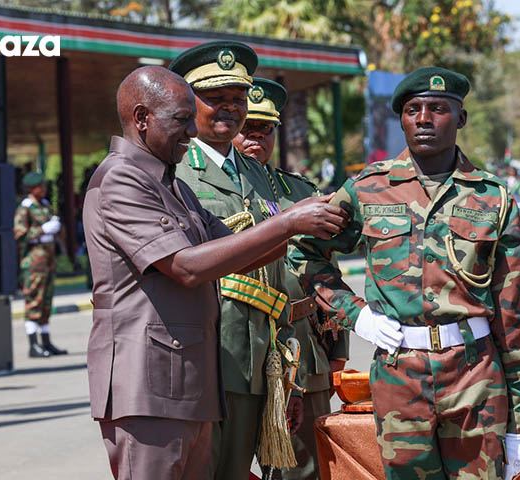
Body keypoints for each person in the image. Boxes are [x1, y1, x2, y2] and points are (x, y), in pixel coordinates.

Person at [82, 66, 346, 480]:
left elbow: (241, 252)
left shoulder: (171, 184)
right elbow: (185, 267)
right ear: (141, 118)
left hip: (188, 383)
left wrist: (318, 216)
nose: (191, 131)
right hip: (147, 387)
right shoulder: (121, 179)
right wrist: (289, 222)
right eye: (180, 120)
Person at [290, 67, 520, 480]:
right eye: (412, 110)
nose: (424, 119)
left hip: (475, 374)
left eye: (438, 109)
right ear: (402, 119)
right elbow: (305, 253)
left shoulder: (491, 197)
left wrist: (518, 424)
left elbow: (512, 315)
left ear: (460, 119)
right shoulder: (368, 188)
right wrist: (357, 316)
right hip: (399, 371)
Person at [169, 41, 307, 479]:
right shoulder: (176, 171)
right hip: (206, 355)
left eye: (237, 99)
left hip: (259, 358)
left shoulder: (258, 173)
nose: (229, 109)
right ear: (190, 103)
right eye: (215, 99)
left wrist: (288, 362)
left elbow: (278, 271)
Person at [234, 78, 349, 480]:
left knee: (305, 469)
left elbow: (326, 271)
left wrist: (337, 345)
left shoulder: (299, 191)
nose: (255, 138)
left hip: (303, 348)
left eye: (264, 130)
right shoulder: (206, 186)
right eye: (246, 128)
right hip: (236, 348)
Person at [14, 171, 67, 358]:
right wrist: (42, 230)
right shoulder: (25, 208)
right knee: (34, 301)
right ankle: (33, 345)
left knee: (46, 301)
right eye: (40, 187)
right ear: (31, 188)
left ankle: (45, 341)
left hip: (48, 259)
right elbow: (20, 234)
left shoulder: (44, 206)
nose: (43, 189)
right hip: (34, 261)